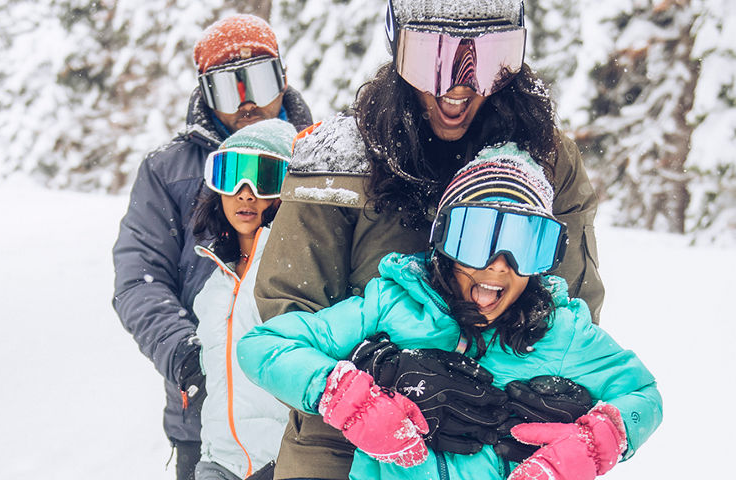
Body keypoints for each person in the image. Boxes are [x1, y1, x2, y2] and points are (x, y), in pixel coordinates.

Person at [254, 1, 603, 478]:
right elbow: (288, 315)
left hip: (493, 447)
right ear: (397, 50)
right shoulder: (339, 157)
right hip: (343, 445)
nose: (457, 84)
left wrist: (557, 394)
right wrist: (379, 370)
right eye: (429, 58)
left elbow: (572, 307)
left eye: (486, 58)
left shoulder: (546, 158)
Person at [239, 143, 662, 480]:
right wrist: (354, 403)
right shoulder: (393, 305)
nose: (499, 264)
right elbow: (265, 345)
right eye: (476, 238)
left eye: (524, 244)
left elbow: (643, 396)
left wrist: (587, 447)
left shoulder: (559, 332)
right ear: (444, 242)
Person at [112, 14, 312, 480]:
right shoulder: (169, 171)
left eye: (258, 81)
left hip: (300, 420)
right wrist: (186, 355)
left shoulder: (320, 155)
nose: (247, 103)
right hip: (203, 415)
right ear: (205, 93)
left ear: (283, 78)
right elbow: (138, 279)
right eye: (228, 88)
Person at [190, 119, 297, 480]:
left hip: (281, 464)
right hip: (218, 462)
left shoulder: (297, 271)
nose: (245, 193)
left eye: (264, 178)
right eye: (232, 175)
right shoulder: (215, 282)